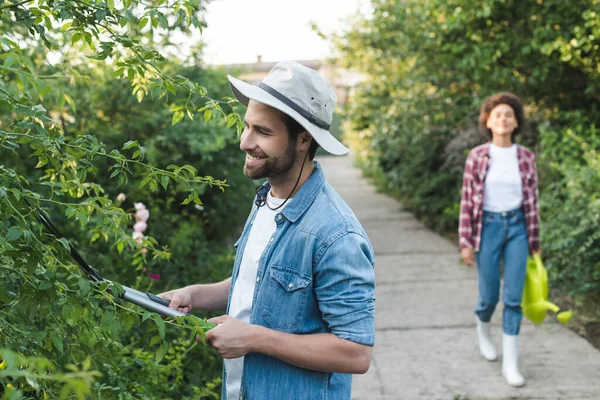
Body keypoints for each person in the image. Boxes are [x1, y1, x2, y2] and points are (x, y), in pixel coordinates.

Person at [159, 61, 376, 400]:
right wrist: (196, 294)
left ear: (304, 140)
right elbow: (262, 282)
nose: (245, 142)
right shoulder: (267, 199)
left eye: (263, 131)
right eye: (246, 127)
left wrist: (255, 338)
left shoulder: (336, 234)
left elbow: (356, 352)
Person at [459, 92, 540, 387]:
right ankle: (482, 328)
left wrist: (535, 240)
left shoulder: (526, 157)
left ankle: (511, 364)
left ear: (516, 121)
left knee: (513, 298)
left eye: (509, 114)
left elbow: (533, 201)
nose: (503, 119)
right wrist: (466, 242)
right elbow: (467, 203)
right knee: (489, 296)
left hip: (518, 227)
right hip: (488, 228)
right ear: (489, 122)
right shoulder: (477, 156)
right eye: (498, 115)